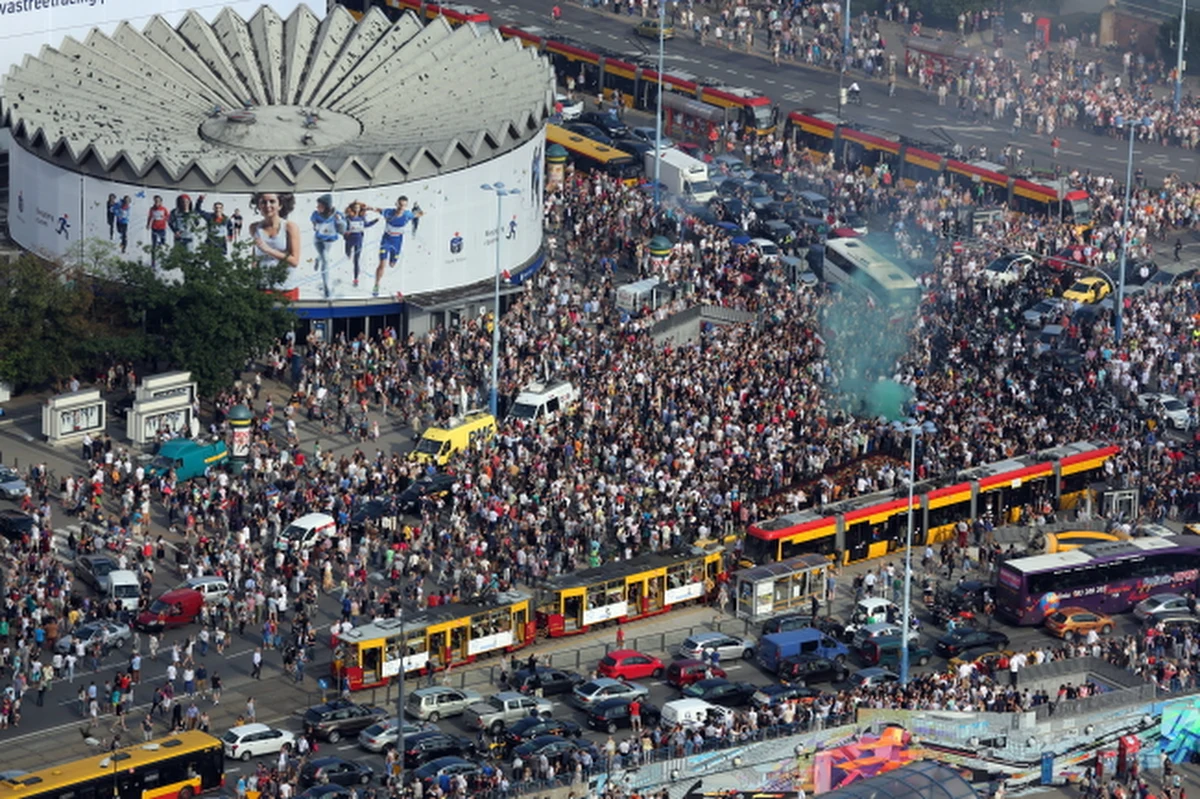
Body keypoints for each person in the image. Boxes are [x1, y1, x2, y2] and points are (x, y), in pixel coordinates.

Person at [371, 196, 425, 297]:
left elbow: (420, 215)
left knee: (392, 264)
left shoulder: (408, 215)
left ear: (406, 206)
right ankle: (376, 285)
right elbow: (378, 210)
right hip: (386, 240)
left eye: (404, 206)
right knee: (382, 264)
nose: (401, 208)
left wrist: (418, 211)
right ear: (396, 204)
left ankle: (393, 260)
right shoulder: (389, 212)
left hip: (397, 242)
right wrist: (369, 208)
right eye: (400, 205)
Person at [249, 193, 301, 276]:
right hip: (262, 284)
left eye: (272, 201)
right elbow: (255, 258)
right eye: (263, 202)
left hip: (285, 285)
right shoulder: (254, 227)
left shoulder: (290, 227)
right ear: (259, 206)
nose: (267, 206)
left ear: (280, 205)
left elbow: (294, 261)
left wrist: (269, 250)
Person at [310, 194, 346, 299]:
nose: (317, 208)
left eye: (320, 206)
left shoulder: (337, 214)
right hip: (319, 240)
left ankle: (317, 259)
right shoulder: (316, 214)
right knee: (326, 260)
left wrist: (339, 221)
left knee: (323, 256)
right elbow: (313, 222)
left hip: (329, 241)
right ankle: (327, 289)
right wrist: (315, 226)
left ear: (326, 206)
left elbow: (343, 231)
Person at [343, 202, 377, 289]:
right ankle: (348, 254)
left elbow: (366, 225)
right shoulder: (348, 218)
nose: (357, 209)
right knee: (348, 254)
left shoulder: (361, 218)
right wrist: (346, 232)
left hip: (359, 240)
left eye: (358, 207)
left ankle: (355, 279)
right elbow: (344, 227)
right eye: (355, 207)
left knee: (356, 260)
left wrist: (374, 222)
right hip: (350, 240)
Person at [146, 196, 170, 267]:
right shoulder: (152, 209)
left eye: (158, 201)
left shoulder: (164, 209)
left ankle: (163, 258)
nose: (157, 202)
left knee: (163, 243)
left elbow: (168, 217)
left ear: (161, 202)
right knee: (153, 246)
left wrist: (164, 218)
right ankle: (153, 262)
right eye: (155, 201)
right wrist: (148, 224)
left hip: (162, 229)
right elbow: (150, 217)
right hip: (154, 229)